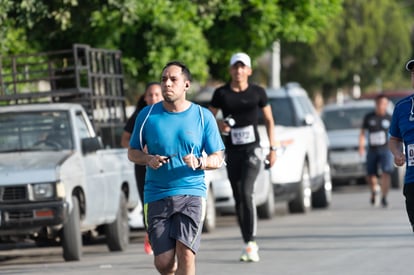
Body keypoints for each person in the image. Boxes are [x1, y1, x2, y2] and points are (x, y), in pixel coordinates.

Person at [128, 61, 225, 275]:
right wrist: (148, 159)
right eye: (164, 79)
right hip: (156, 194)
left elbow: (218, 156)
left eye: (173, 79)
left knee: (186, 254)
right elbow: (132, 152)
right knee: (163, 263)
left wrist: (201, 162)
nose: (167, 84)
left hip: (191, 192)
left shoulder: (202, 116)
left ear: (186, 85)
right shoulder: (146, 116)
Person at [208, 52, 276, 262]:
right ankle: (246, 241)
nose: (238, 71)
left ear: (249, 70)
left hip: (253, 149)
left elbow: (269, 120)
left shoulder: (258, 92)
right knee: (238, 196)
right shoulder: (221, 93)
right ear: (230, 70)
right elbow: (208, 117)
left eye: (242, 67)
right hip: (232, 150)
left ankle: (252, 242)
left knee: (247, 192)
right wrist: (220, 125)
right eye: (235, 67)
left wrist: (273, 148)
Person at [121, 82, 163, 255]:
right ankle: (151, 233)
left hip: (165, 166)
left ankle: (164, 239)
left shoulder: (169, 113)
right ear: (144, 98)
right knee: (148, 203)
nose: (153, 98)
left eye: (156, 95)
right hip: (143, 167)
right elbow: (125, 140)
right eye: (150, 95)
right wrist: (141, 151)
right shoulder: (139, 116)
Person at [389, 59, 414, 232]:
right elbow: (394, 139)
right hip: (412, 181)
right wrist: (397, 154)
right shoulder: (402, 107)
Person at [358, 94, 393, 207]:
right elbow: (363, 133)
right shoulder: (369, 117)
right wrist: (361, 146)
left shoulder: (390, 118)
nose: (380, 106)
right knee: (370, 174)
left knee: (386, 173)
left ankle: (384, 197)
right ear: (376, 104)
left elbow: (395, 135)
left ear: (386, 104)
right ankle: (374, 190)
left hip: (386, 149)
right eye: (378, 103)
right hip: (372, 150)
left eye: (383, 103)